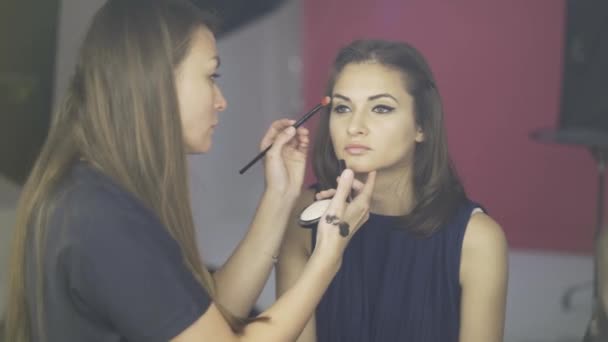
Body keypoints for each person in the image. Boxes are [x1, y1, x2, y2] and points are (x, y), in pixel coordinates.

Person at [2, 1, 377, 341]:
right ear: (156, 80)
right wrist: (328, 255)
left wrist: (279, 196)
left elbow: (210, 318)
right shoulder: (103, 217)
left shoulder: (91, 193)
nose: (221, 101)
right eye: (211, 76)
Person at [276, 39, 508, 342]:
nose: (354, 126)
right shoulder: (306, 215)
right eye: (343, 107)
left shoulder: (478, 239)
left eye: (381, 108)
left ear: (421, 126)